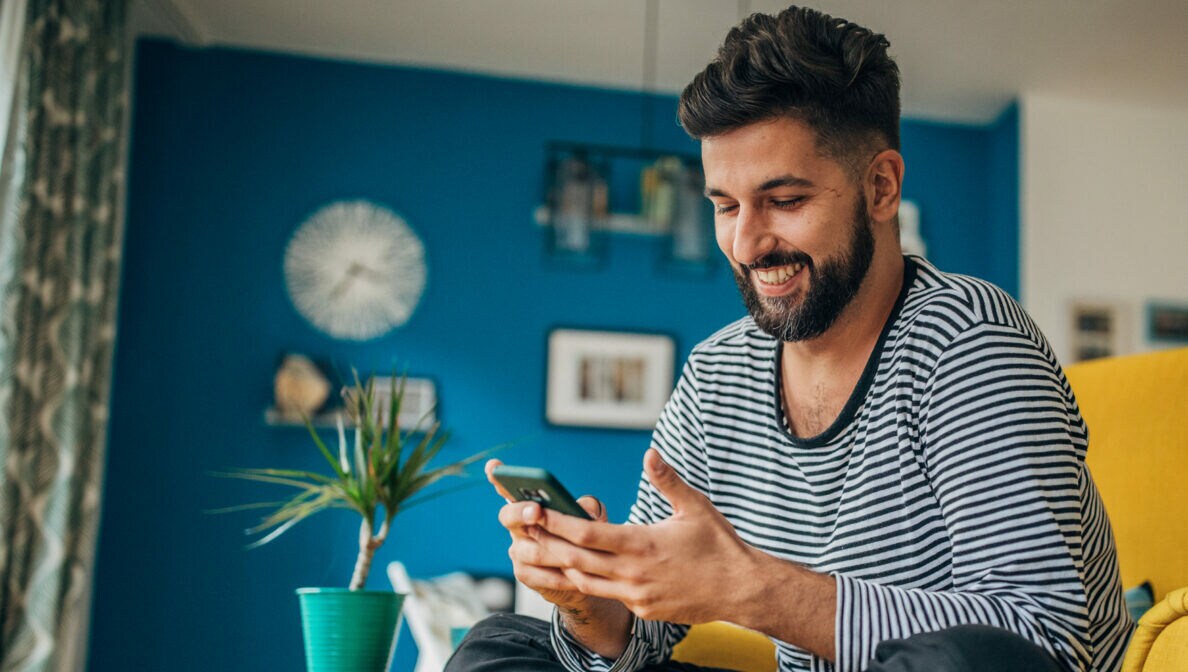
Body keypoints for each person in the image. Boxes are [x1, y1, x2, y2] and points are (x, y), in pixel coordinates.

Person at [446, 5, 1133, 671]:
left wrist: (752, 589)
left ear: (882, 188)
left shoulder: (970, 343)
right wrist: (588, 601)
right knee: (499, 645)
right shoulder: (718, 371)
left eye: (785, 201)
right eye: (725, 205)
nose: (746, 243)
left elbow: (1040, 641)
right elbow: (645, 634)